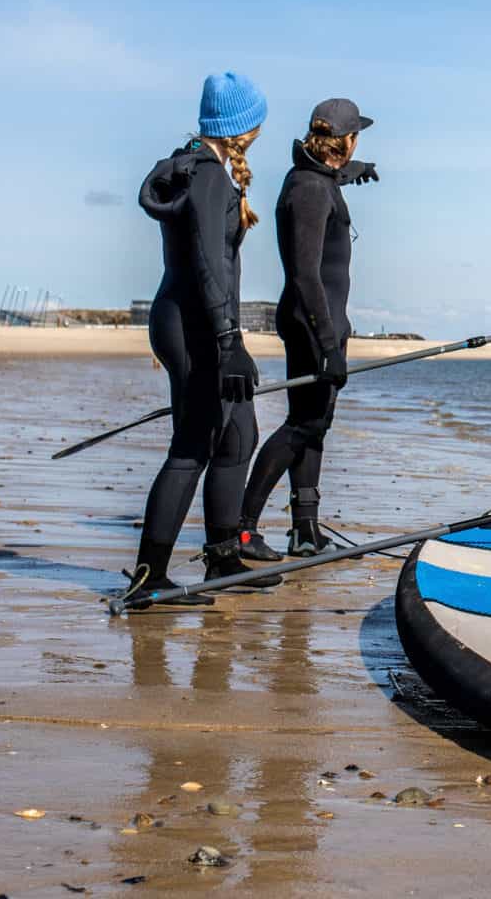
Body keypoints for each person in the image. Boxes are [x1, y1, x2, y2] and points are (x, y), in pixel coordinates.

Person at [126, 70, 278, 605]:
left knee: (238, 434)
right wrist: (230, 340)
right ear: (242, 125)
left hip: (193, 320)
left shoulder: (199, 168)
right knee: (192, 446)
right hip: (196, 328)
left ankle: (222, 558)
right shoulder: (209, 177)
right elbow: (212, 266)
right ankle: (149, 579)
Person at [239, 98, 380, 559]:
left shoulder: (315, 177)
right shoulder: (309, 190)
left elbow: (326, 174)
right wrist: (327, 344)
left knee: (315, 425)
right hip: (310, 324)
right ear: (347, 138)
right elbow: (305, 274)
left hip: (322, 324)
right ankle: (242, 528)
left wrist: (355, 169)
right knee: (301, 426)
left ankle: (305, 529)